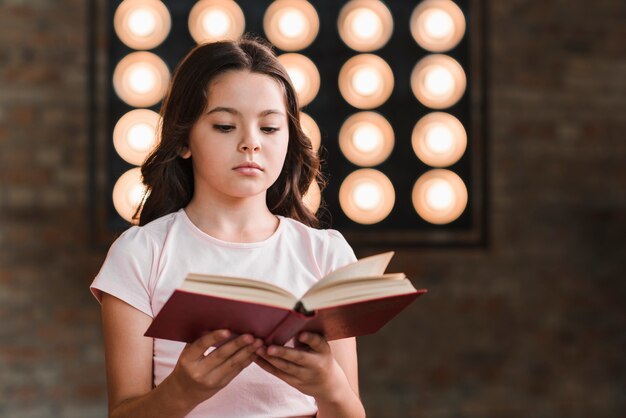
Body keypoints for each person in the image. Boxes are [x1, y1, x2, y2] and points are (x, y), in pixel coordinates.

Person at [90, 36, 366, 418]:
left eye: (269, 128)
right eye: (224, 126)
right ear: (184, 139)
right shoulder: (140, 253)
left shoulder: (327, 254)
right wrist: (183, 391)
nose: (250, 143)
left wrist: (331, 389)